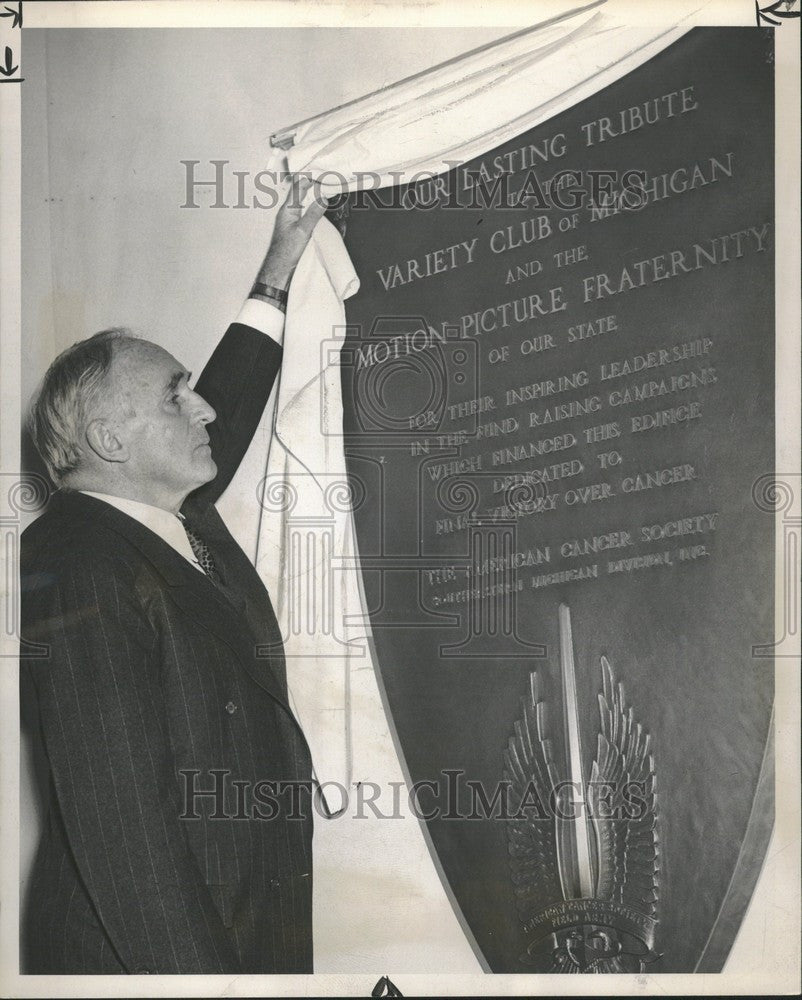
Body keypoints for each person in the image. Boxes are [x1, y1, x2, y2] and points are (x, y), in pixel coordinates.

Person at [20, 175, 327, 974]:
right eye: (174, 395)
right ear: (110, 441)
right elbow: (124, 832)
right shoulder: (76, 562)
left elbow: (228, 398)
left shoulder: (167, 518)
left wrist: (279, 265)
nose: (205, 410)